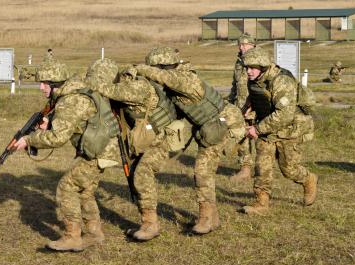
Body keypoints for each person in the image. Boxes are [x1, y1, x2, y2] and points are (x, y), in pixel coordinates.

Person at [13, 58, 121, 252]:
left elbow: (57, 139)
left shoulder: (69, 101)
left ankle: (72, 237)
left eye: (44, 83)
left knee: (67, 187)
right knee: (85, 191)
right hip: (104, 149)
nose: (41, 87)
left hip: (98, 151)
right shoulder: (75, 92)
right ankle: (94, 234)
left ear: (55, 84)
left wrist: (29, 140)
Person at [136, 47, 245, 235]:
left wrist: (139, 69)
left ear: (164, 67)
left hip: (223, 122)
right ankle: (212, 218)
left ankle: (206, 218)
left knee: (202, 171)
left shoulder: (185, 79)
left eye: (155, 70)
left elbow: (165, 78)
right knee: (204, 171)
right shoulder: (176, 81)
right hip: (208, 126)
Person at [87, 65, 180, 241]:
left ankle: (150, 225)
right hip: (144, 138)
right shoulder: (125, 85)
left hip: (160, 139)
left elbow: (112, 91)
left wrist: (90, 83)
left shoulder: (138, 86)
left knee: (142, 174)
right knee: (135, 175)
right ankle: (145, 222)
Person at [241, 47, 318, 215]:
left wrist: (257, 129)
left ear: (263, 66)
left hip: (288, 130)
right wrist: (249, 105)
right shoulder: (255, 79)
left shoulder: (282, 81)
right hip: (266, 130)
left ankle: (308, 179)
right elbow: (258, 94)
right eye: (246, 67)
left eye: (252, 68)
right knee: (262, 167)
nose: (248, 71)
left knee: (289, 169)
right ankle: (261, 203)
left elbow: (284, 115)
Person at [229, 33, 256, 182]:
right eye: (240, 45)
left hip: (256, 106)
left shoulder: (260, 60)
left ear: (252, 45)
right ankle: (245, 168)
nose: (241, 47)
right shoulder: (239, 62)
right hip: (240, 106)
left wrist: (253, 105)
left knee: (262, 139)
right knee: (241, 137)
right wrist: (231, 103)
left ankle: (264, 168)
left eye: (244, 44)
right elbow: (235, 84)